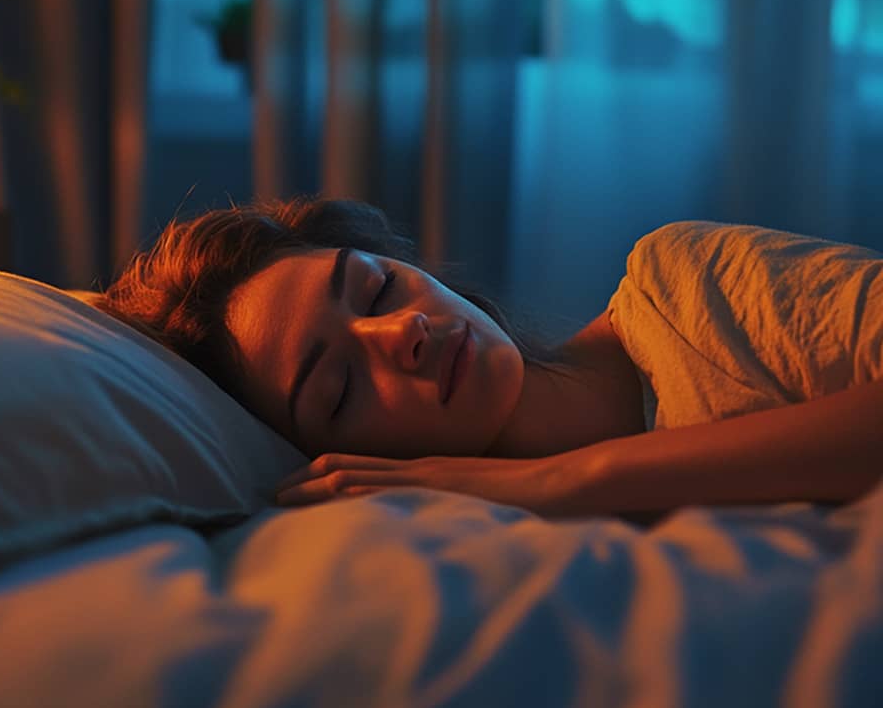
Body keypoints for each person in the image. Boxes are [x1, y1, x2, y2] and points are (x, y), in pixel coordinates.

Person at [100, 197, 883, 518]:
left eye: (376, 291)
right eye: (339, 387)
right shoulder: (477, 547)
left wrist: (563, 478)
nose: (398, 333)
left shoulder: (685, 287)